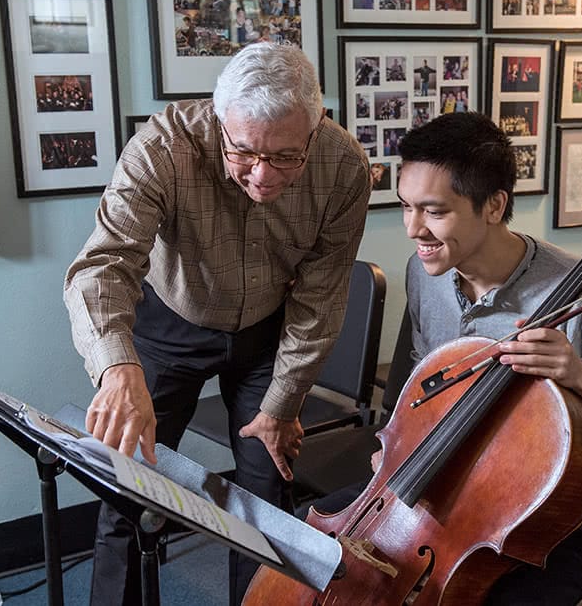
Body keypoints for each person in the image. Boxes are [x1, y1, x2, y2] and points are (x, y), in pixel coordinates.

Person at [305, 112, 582, 605]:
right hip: (452, 475)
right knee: (308, 552)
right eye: (407, 206)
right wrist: (398, 449)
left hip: (560, 506)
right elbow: (426, 386)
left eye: (434, 211)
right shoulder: (424, 273)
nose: (414, 229)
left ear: (494, 206)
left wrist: (578, 375)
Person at [63, 42, 372, 606]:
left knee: (265, 495)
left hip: (267, 336)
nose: (262, 176)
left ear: (315, 126)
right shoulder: (164, 146)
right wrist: (116, 368)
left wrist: (282, 405)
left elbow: (321, 298)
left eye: (285, 157)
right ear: (219, 118)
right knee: (129, 486)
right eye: (244, 152)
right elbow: (103, 264)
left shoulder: (344, 164)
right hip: (168, 325)